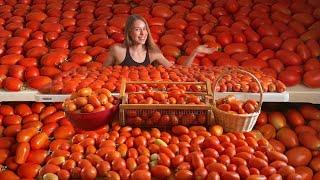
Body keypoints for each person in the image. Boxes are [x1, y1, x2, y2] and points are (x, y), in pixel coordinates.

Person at [104, 14, 216, 68]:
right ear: (129, 32)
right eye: (138, 30)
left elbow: (178, 70)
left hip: (142, 99)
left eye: (145, 29)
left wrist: (194, 52)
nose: (143, 33)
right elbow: (102, 75)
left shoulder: (153, 53)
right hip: (121, 99)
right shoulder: (117, 50)